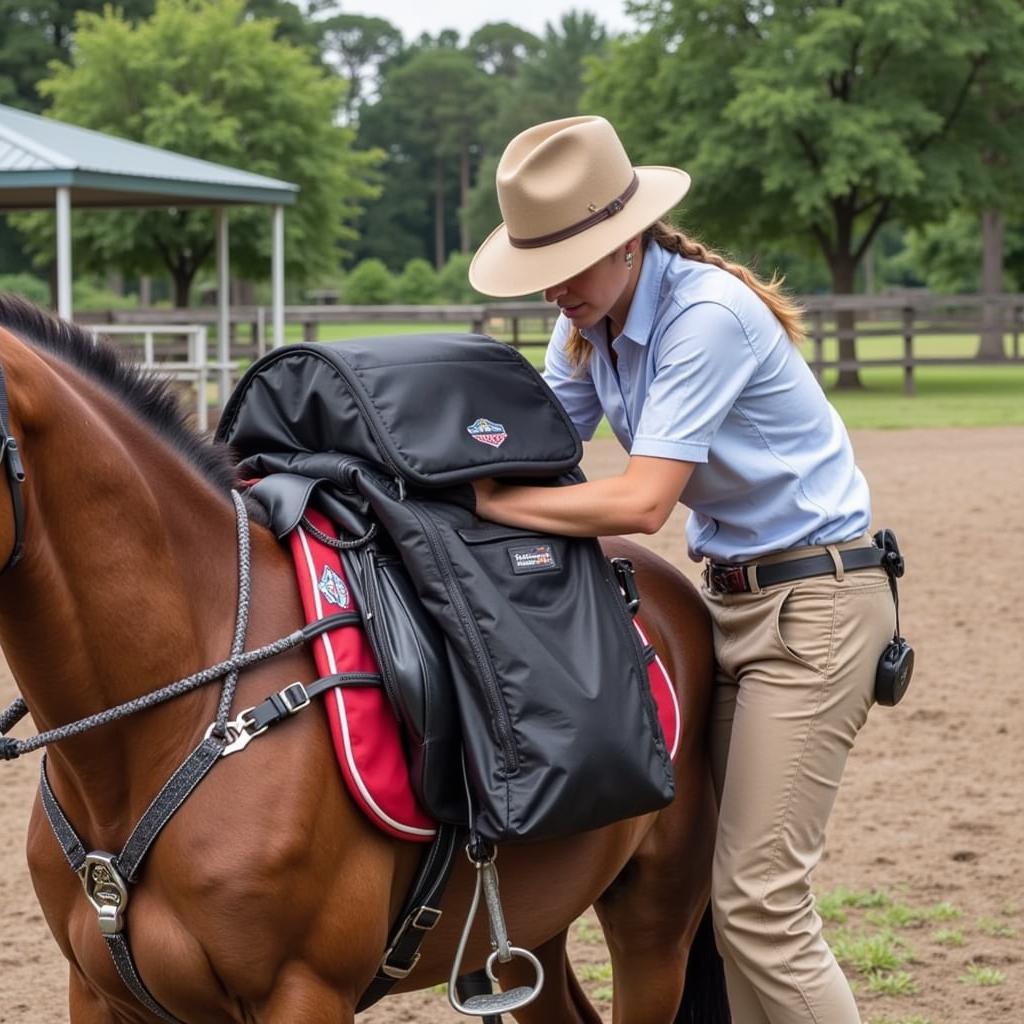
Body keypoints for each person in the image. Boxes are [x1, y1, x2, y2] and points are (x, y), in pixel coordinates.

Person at [467, 114, 897, 1024]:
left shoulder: (707, 314)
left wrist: (491, 507)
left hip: (817, 607)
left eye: (568, 262)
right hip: (734, 600)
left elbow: (639, 502)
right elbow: (544, 446)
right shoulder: (589, 324)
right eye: (538, 270)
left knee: (760, 906)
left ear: (625, 241)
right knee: (731, 905)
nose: (552, 291)